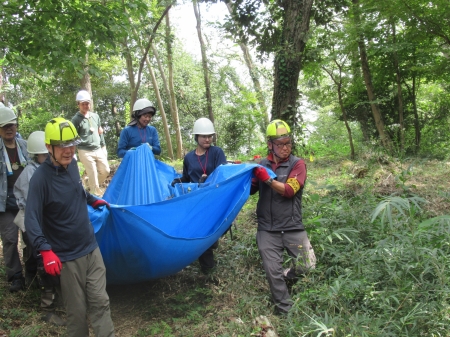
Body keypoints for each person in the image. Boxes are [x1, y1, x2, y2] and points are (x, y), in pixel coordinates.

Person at [25, 118, 115, 337]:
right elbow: (31, 219)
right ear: (49, 147)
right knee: (77, 313)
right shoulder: (40, 180)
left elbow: (77, 190)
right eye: (62, 145)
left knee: (101, 303)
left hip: (90, 248)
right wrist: (45, 250)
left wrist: (92, 199)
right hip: (66, 257)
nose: (69, 150)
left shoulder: (73, 164)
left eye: (72, 144)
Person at [251, 119, 316, 315]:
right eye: (280, 144)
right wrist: (250, 175)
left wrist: (267, 179)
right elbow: (251, 190)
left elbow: (288, 191)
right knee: (273, 273)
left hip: (292, 226)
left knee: (308, 265)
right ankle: (284, 309)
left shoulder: (298, 164)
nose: (285, 147)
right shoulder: (262, 164)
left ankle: (290, 276)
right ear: (270, 144)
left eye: (288, 142)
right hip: (267, 229)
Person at [13, 131, 65, 326]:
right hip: (37, 224)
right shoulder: (31, 174)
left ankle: (58, 296)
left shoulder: (53, 168)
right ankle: (47, 308)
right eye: (46, 154)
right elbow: (31, 204)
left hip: (52, 223)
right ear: (38, 154)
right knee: (44, 265)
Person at [171, 118, 227, 273]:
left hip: (212, 199)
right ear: (196, 137)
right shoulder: (189, 157)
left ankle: (212, 242)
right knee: (201, 231)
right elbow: (187, 178)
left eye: (210, 135)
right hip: (196, 201)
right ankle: (208, 270)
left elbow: (222, 173)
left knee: (211, 230)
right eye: (204, 136)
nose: (207, 139)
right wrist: (178, 181)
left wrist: (208, 179)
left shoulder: (217, 152)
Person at [0, 106, 28, 292]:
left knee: (31, 237)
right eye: (4, 126)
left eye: (12, 125)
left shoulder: (24, 145)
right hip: (5, 203)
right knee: (10, 239)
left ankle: (34, 271)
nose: (9, 129)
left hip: (25, 201)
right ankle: (16, 277)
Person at [71, 90, 110, 196]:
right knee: (92, 172)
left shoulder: (95, 116)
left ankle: (88, 184)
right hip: (85, 150)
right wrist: (73, 153)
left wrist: (103, 147)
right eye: (83, 104)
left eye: (87, 103)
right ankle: (95, 196)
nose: (85, 106)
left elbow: (100, 132)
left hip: (98, 149)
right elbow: (72, 138)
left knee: (106, 170)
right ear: (78, 104)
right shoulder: (75, 120)